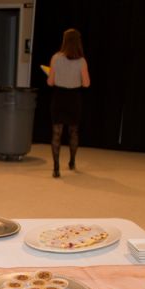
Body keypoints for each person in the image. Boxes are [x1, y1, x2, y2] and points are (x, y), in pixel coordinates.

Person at [46, 28, 91, 178]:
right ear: (78, 42)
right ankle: (72, 162)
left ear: (64, 41)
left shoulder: (55, 58)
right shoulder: (82, 61)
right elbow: (86, 84)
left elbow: (50, 82)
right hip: (74, 98)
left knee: (56, 132)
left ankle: (56, 168)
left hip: (59, 97)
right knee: (73, 132)